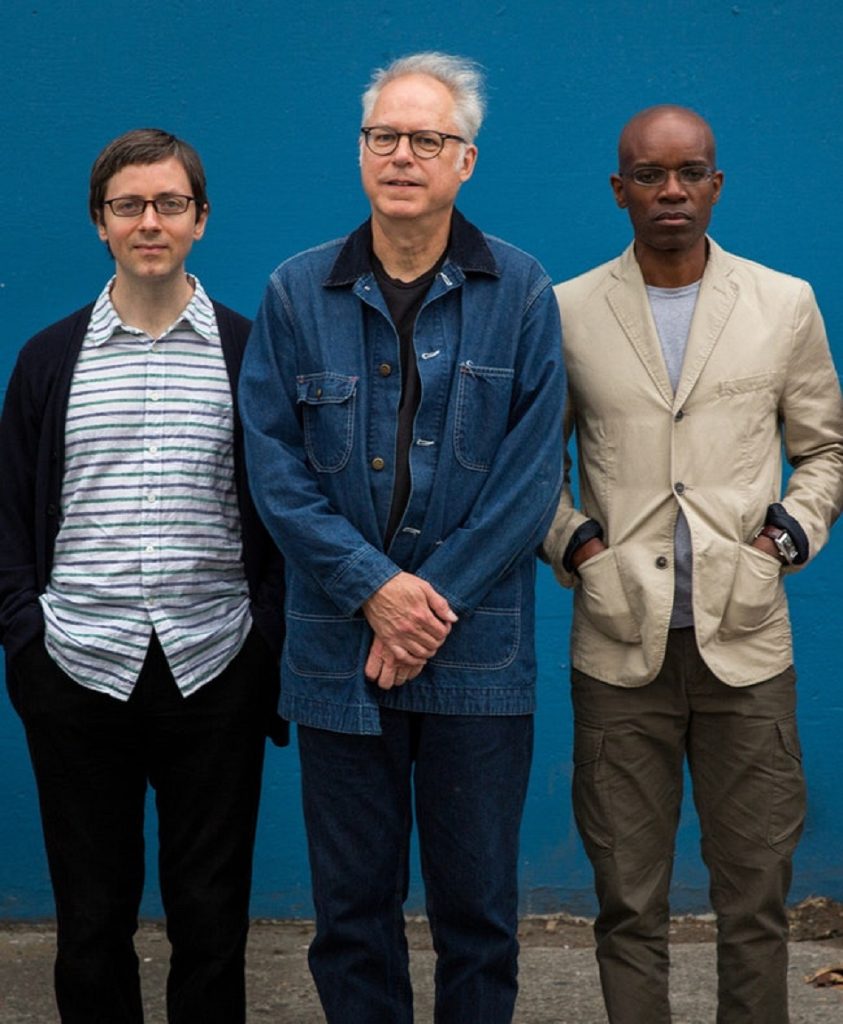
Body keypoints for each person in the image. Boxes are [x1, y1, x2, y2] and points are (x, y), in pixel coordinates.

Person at [239, 52, 564, 1024]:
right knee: (352, 915)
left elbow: (532, 476)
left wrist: (424, 603)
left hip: (480, 659)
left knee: (479, 916)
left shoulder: (523, 291)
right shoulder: (297, 295)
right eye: (386, 136)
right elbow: (273, 469)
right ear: (360, 153)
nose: (404, 155)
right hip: (340, 659)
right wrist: (371, 589)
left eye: (428, 139)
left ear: (465, 160)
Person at [543, 104, 843, 1023]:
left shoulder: (781, 302)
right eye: (648, 174)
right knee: (627, 902)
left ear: (716, 183)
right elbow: (526, 469)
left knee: (753, 900)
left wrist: (782, 539)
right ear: (618, 188)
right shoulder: (565, 310)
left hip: (745, 644)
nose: (669, 190)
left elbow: (824, 449)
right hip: (617, 644)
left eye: (689, 172)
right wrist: (580, 548)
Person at [0, 128, 286, 1024]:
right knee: (91, 920)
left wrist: (263, 642)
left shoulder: (251, 355)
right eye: (129, 205)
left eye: (169, 203)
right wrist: (26, 635)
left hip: (215, 665)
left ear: (201, 219)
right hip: (78, 663)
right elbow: (9, 508)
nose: (149, 221)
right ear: (100, 224)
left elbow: (284, 514)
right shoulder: (52, 359)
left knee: (212, 921)